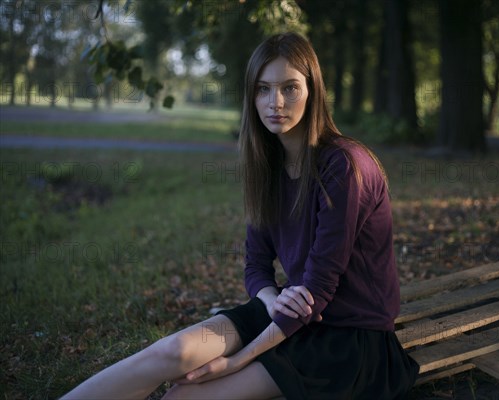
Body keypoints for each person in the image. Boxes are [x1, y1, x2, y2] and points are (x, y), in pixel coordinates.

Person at [62, 32, 419, 400]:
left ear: (313, 91)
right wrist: (269, 301)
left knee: (183, 398)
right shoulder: (268, 167)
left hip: (347, 339)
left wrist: (238, 361)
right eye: (263, 89)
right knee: (171, 353)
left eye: (290, 88)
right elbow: (256, 265)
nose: (275, 102)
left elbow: (320, 286)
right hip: (287, 311)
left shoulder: (344, 165)